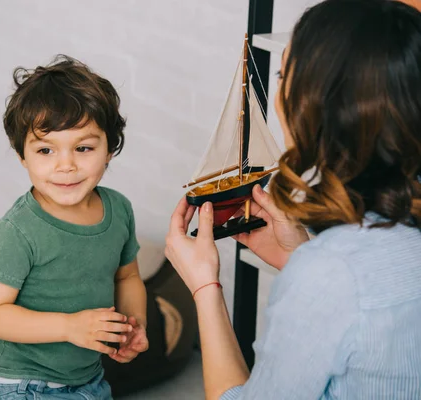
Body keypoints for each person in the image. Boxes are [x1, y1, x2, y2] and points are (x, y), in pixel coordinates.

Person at [165, 0, 421, 398]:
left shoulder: (331, 272)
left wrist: (204, 287)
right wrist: (297, 256)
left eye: (284, 75)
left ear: (315, 106)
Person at [0, 55, 148, 400]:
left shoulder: (119, 210)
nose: (66, 166)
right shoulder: (18, 231)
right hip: (23, 382)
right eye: (45, 150)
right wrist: (69, 327)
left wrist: (132, 324)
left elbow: (126, 277)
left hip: (88, 375)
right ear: (22, 155)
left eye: (83, 148)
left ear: (110, 148)